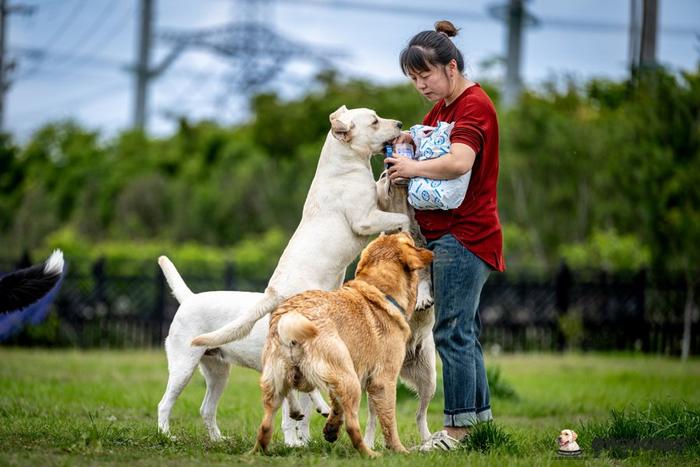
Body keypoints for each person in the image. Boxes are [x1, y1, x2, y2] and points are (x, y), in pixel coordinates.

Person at [385, 20, 506, 451]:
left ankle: (455, 432)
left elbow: (457, 162)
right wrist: (407, 141)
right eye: (413, 79)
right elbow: (429, 144)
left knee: (451, 332)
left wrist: (411, 168)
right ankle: (480, 426)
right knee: (464, 330)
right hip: (453, 237)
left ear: (451, 68)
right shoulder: (443, 109)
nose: (420, 85)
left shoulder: (473, 106)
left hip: (465, 236)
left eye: (426, 76)